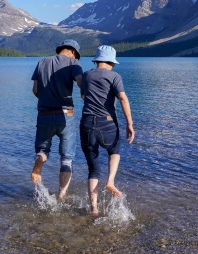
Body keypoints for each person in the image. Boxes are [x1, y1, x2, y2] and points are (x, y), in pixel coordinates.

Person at [79, 45, 134, 217]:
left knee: (93, 169)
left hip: (87, 123)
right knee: (114, 151)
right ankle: (110, 181)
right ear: (111, 61)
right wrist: (130, 124)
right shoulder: (114, 76)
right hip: (108, 123)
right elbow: (123, 98)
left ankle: (94, 209)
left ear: (97, 59)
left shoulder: (86, 75)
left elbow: (83, 96)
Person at [30, 39, 83, 201]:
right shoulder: (73, 64)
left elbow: (36, 90)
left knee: (42, 150)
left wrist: (47, 99)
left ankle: (39, 162)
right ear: (73, 52)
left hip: (44, 114)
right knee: (67, 158)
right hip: (65, 115)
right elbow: (82, 83)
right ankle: (61, 195)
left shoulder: (42, 62)